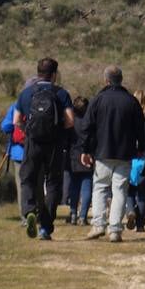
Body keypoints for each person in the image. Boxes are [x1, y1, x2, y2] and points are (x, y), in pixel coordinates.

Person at [80, 65, 145, 243]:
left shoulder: (98, 99)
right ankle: (115, 229)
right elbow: (141, 128)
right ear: (121, 79)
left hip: (102, 152)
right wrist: (142, 147)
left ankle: (99, 225)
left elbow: (86, 127)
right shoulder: (131, 101)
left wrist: (85, 150)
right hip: (125, 153)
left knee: (100, 187)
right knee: (120, 190)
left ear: (106, 80)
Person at [14, 57, 74, 241]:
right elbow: (70, 121)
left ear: (38, 72)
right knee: (53, 183)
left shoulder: (26, 94)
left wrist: (29, 132)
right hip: (54, 144)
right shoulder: (61, 94)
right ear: (54, 74)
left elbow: (16, 121)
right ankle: (45, 228)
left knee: (28, 178)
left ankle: (30, 210)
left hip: (33, 143)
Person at [125, 89, 145, 232]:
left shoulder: (129, 115)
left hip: (131, 158)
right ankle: (141, 224)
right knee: (142, 194)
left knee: (129, 191)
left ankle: (130, 210)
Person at [66, 96, 93, 226]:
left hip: (73, 156)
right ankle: (83, 216)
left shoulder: (71, 122)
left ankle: (72, 214)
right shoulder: (90, 122)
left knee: (73, 187)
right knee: (87, 187)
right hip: (87, 156)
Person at [0, 100, 27, 222]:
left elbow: (5, 127)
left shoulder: (16, 106)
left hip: (18, 152)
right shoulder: (41, 102)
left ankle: (24, 216)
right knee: (37, 182)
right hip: (37, 150)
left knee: (21, 184)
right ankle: (38, 211)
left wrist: (14, 125)